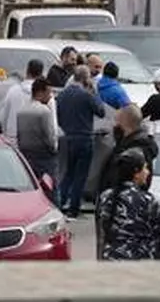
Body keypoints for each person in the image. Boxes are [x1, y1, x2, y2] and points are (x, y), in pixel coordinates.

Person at [96, 148, 160, 260]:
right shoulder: (147, 200)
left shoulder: (106, 196)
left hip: (111, 258)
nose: (147, 172)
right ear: (136, 173)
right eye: (145, 168)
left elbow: (102, 231)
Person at [56, 65, 107, 219]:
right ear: (86, 78)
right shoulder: (86, 95)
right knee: (80, 175)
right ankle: (73, 208)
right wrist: (95, 92)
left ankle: (60, 203)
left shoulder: (62, 95)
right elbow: (101, 111)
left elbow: (58, 115)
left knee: (68, 173)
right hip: (84, 138)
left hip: (67, 137)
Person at [97, 105, 158, 195]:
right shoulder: (124, 146)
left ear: (124, 124)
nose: (114, 125)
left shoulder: (135, 152)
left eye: (116, 122)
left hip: (121, 204)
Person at [17, 78, 58, 187]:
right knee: (50, 186)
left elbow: (19, 135)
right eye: (48, 93)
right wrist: (54, 149)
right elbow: (49, 137)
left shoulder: (21, 110)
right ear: (40, 92)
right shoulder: (44, 111)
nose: (50, 96)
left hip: (26, 154)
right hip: (43, 156)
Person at [0, 59, 45, 143]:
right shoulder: (44, 94)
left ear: (27, 71)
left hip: (13, 139)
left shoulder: (13, 91)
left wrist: (6, 135)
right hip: (36, 143)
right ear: (41, 74)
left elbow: (4, 116)